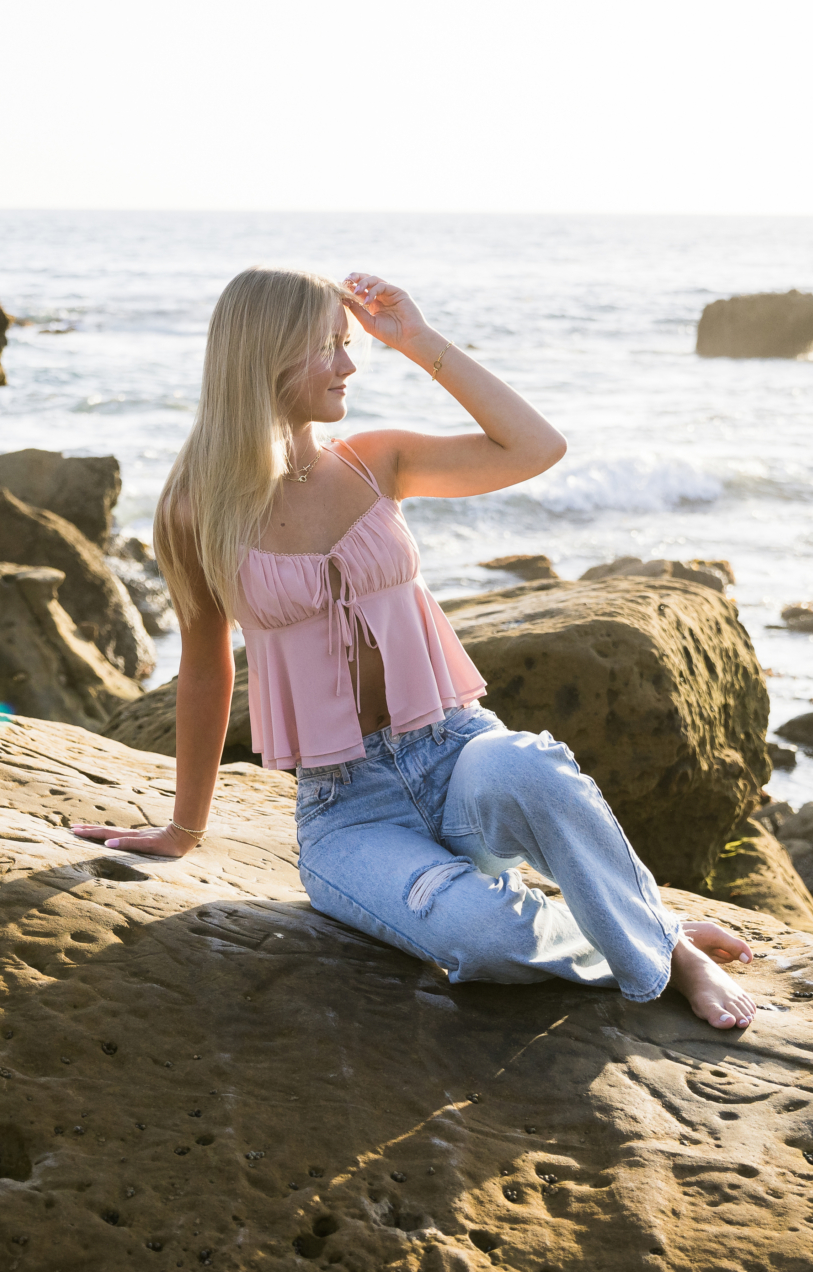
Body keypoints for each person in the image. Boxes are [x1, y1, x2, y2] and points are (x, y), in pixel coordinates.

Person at [71, 267, 759, 1030]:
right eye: (327, 347)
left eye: (347, 342)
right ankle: (648, 936)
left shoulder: (374, 460)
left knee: (531, 765)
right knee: (479, 935)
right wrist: (185, 827)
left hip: (457, 753)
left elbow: (536, 445)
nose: (349, 364)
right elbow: (205, 666)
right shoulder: (195, 507)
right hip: (348, 812)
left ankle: (665, 949)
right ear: (265, 356)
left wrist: (422, 342)